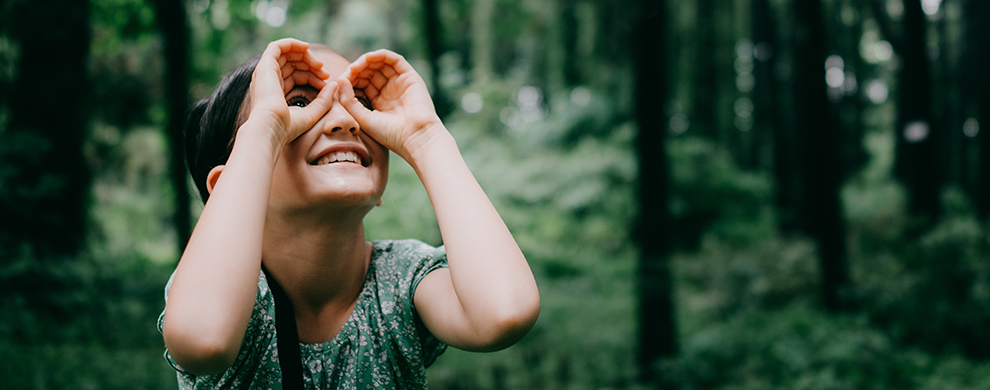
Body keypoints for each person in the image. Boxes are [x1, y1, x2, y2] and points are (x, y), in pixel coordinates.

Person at [158, 38, 541, 389]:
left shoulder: (402, 280)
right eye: (299, 104)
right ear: (231, 189)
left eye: (362, 103)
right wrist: (263, 129)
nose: (347, 120)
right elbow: (202, 339)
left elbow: (504, 313)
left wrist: (426, 137)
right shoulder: (222, 295)